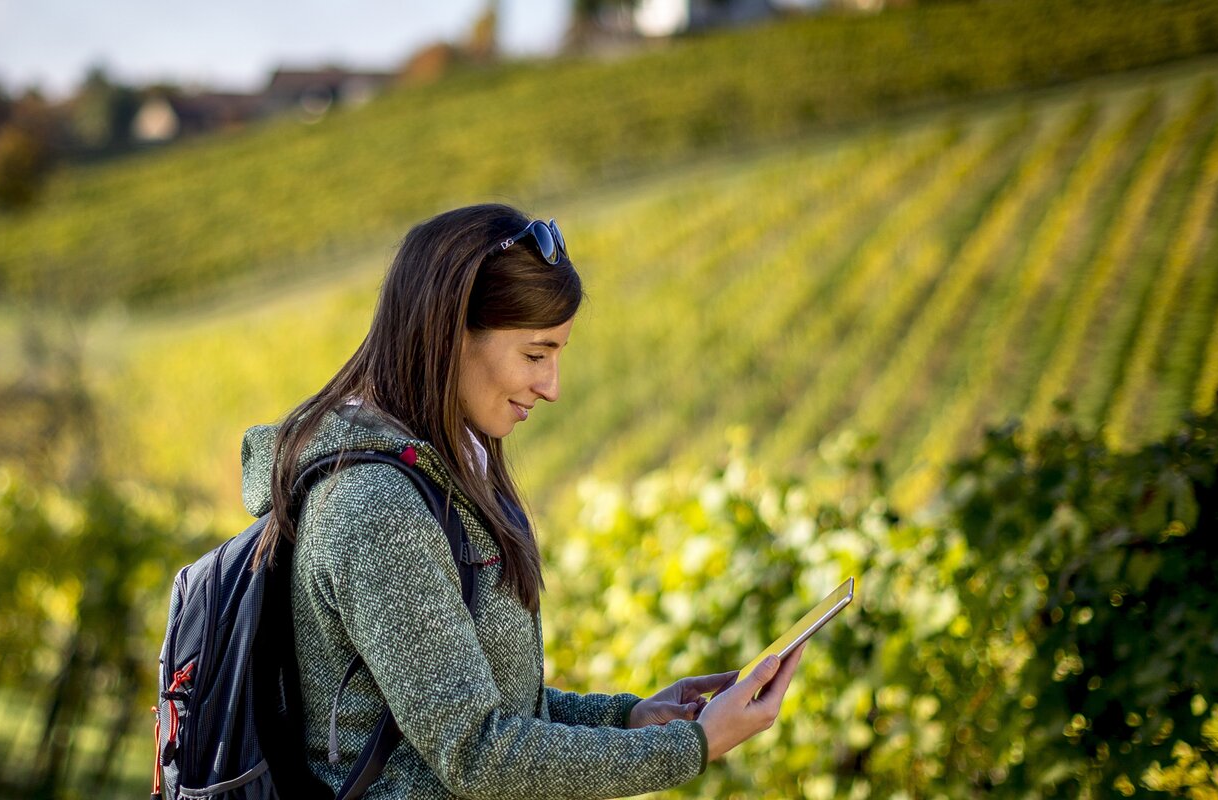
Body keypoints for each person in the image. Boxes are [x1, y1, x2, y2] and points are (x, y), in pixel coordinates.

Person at [237, 203, 804, 799]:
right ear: (448, 336)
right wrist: (693, 745)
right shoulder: (375, 506)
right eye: (535, 354)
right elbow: (477, 751)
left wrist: (628, 719)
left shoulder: (441, 476)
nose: (552, 386)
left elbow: (494, 702)